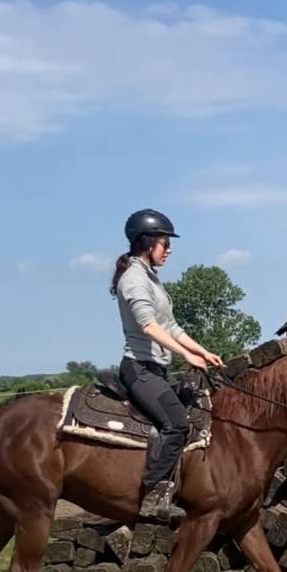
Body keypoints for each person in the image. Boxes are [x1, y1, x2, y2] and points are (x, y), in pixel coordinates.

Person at [111, 208, 223, 521]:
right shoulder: (134, 280)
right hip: (139, 370)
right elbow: (149, 327)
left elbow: (171, 326)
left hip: (156, 369)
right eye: (164, 242)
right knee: (178, 424)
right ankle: (152, 494)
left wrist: (203, 351)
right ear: (146, 243)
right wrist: (185, 355)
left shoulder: (152, 280)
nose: (169, 249)